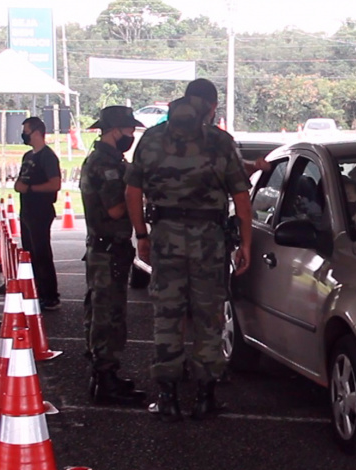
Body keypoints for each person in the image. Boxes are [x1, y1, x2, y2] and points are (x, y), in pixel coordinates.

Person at [126, 78, 254, 422]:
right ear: (210, 107)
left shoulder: (151, 139)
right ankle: (204, 396)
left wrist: (142, 234)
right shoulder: (220, 141)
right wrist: (245, 243)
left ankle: (167, 397)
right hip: (209, 239)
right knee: (208, 314)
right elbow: (242, 198)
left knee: (168, 314)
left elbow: (132, 191)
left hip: (165, 235)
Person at [79, 106, 148, 406]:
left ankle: (103, 375)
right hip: (108, 249)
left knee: (100, 312)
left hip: (103, 247)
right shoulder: (106, 165)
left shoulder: (107, 160)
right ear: (113, 131)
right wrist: (138, 193)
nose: (131, 135)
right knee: (109, 315)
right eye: (128, 130)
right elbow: (116, 209)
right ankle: (105, 379)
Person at [14, 116, 62, 311]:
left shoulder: (47, 157)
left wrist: (30, 189)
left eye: (26, 130)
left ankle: (50, 295)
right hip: (27, 209)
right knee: (30, 252)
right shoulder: (28, 156)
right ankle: (37, 291)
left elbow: (55, 184)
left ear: (35, 132)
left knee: (41, 253)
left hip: (41, 210)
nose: (24, 134)